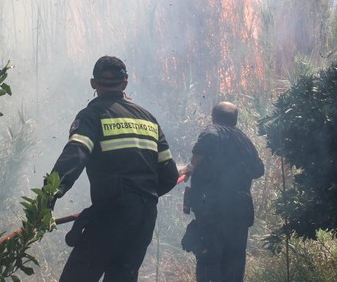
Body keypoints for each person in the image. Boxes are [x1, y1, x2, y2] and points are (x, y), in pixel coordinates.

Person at [49, 55, 179, 282]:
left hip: (112, 213)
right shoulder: (149, 119)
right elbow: (169, 176)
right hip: (145, 217)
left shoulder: (92, 115)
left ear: (93, 83)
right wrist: (138, 195)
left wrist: (47, 199)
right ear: (125, 82)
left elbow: (75, 156)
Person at [180, 102, 264, 282]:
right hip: (240, 213)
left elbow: (205, 144)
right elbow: (258, 170)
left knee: (209, 262)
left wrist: (191, 167)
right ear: (235, 120)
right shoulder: (244, 140)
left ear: (214, 117)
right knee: (234, 265)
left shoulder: (212, 131)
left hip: (213, 212)